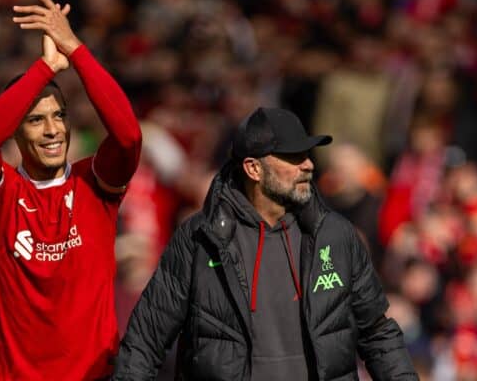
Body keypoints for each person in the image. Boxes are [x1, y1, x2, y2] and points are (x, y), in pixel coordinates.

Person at [112, 108, 418, 380]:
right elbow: (145, 341)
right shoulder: (199, 239)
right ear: (253, 169)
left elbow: (378, 334)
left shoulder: (337, 236)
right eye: (293, 156)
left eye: (308, 154)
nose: (309, 165)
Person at [0, 0, 141, 380]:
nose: (52, 131)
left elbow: (128, 136)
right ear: (15, 132)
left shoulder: (93, 184)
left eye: (59, 116)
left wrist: (75, 50)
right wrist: (43, 69)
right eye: (35, 119)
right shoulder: (0, 194)